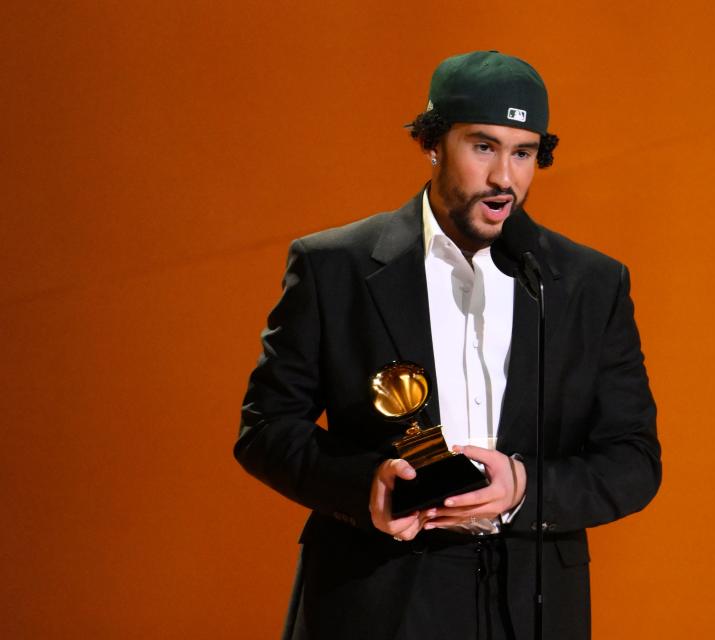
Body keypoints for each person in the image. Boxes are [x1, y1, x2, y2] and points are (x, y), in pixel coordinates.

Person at [235, 50, 662, 640]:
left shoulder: (590, 283)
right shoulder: (334, 266)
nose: (503, 179)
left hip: (533, 602)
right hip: (376, 596)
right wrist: (367, 486)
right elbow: (267, 428)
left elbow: (633, 460)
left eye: (524, 153)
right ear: (433, 142)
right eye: (483, 147)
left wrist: (523, 487)